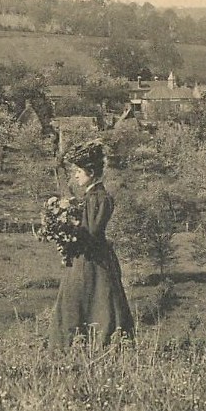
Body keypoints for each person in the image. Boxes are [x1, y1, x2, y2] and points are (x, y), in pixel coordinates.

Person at [49, 140, 135, 349]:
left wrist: (68, 233)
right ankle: (76, 346)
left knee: (95, 301)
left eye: (79, 171)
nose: (76, 175)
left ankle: (92, 347)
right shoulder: (89, 197)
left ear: (91, 172)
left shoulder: (99, 198)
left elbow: (92, 232)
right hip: (85, 256)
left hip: (93, 259)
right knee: (77, 300)